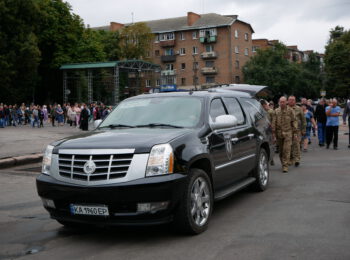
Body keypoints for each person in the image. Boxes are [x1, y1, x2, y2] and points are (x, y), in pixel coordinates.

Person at [272, 96, 298, 173]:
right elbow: (274, 122)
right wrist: (273, 133)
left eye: (283, 102)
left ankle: (285, 166)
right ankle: (284, 163)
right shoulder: (276, 111)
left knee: (286, 150)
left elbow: (294, 121)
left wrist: (295, 132)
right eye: (281, 102)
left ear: (286, 102)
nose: (282, 103)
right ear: (279, 102)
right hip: (279, 133)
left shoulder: (290, 111)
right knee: (280, 151)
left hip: (288, 133)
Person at [288, 96, 306, 167]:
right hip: (288, 130)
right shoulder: (286, 109)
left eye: (293, 100)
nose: (291, 101)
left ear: (295, 101)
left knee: (296, 144)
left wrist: (303, 130)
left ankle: (297, 159)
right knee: (289, 145)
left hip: (297, 130)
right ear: (287, 101)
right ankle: (290, 159)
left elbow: (303, 120)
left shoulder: (299, 109)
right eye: (290, 100)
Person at [261, 99, 275, 165]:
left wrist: (273, 128)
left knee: (271, 144)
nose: (265, 106)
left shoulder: (271, 111)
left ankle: (271, 158)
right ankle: (268, 158)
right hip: (263, 131)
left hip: (270, 130)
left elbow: (274, 120)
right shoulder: (260, 112)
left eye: (265, 105)